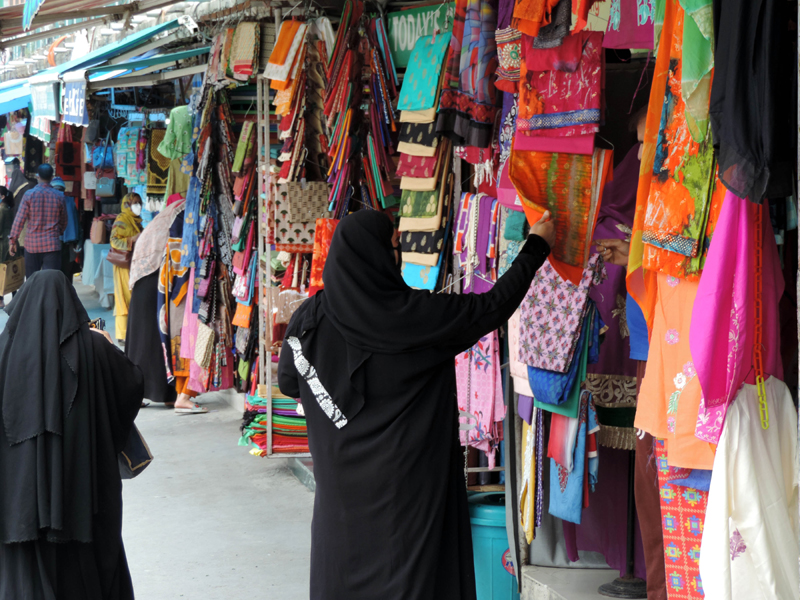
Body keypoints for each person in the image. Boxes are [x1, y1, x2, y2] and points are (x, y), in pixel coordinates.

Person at [278, 209, 555, 599]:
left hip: (341, 500)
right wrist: (537, 246)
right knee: (414, 580)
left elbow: (289, 382)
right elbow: (491, 307)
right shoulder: (417, 319)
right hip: (409, 496)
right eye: (394, 248)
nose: (399, 255)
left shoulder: (310, 319)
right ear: (375, 257)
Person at [0, 270, 144, 600]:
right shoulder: (95, 348)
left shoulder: (4, 352)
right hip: (85, 489)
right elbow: (133, 385)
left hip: (20, 497)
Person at [126, 194, 206, 413]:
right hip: (156, 274)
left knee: (146, 336)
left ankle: (150, 392)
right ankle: (153, 391)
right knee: (153, 336)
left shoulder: (173, 212)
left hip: (148, 273)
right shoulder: (183, 213)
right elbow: (180, 251)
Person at [8, 164, 66, 278]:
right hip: (52, 246)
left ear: (37, 176)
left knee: (32, 282)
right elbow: (64, 222)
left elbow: (19, 220)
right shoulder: (59, 196)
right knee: (51, 282)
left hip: (32, 246)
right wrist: (56, 233)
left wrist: (13, 241)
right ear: (52, 177)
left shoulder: (29, 195)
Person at [110, 194, 143, 345]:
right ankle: (122, 335)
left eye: (139, 202)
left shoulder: (135, 221)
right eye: (134, 203)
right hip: (123, 265)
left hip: (132, 263)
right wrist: (132, 240)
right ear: (127, 204)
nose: (138, 206)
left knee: (132, 296)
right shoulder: (122, 220)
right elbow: (114, 240)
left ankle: (130, 331)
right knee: (124, 297)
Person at [50, 176, 81, 281]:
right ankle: (66, 296)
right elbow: (77, 223)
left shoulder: (49, 202)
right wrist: (78, 241)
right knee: (67, 275)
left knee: (54, 274)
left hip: (52, 243)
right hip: (69, 243)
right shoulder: (70, 201)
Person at [0, 187, 12, 309]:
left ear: (2, 196)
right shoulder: (8, 208)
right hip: (9, 242)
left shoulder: (1, 210)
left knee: (1, 271)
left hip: (2, 243)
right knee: (12, 270)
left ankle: (0, 300)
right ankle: (15, 298)